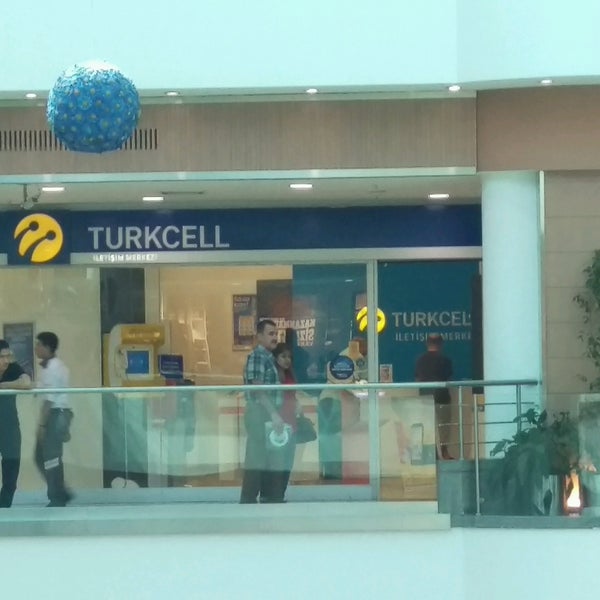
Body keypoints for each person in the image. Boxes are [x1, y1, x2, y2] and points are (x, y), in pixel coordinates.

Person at [240, 319, 286, 504]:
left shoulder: (269, 358)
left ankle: (268, 497)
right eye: (270, 334)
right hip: (259, 412)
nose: (275, 337)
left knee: (269, 457)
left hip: (268, 412)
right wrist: (273, 414)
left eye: (276, 334)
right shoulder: (258, 357)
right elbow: (257, 389)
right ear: (259, 336)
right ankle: (248, 500)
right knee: (256, 457)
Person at [34, 332, 74, 507]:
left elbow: (49, 400)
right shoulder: (51, 367)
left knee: (50, 458)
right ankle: (61, 492)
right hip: (58, 414)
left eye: (39, 345)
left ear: (48, 347)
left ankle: (57, 496)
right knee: (45, 457)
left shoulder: (53, 368)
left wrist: (42, 425)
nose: (36, 348)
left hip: (55, 415)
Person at [0, 340, 32, 507]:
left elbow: (26, 382)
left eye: (8, 356)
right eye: (2, 357)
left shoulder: (12, 368)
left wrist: (3, 386)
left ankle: (3, 509)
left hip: (9, 426)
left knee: (11, 470)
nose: (6, 360)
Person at [415, 333, 454, 460]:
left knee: (427, 426)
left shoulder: (420, 360)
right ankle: (443, 452)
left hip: (425, 398)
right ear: (441, 344)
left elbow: (417, 378)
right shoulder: (445, 360)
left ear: (427, 343)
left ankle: (431, 454)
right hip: (442, 397)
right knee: (443, 427)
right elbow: (448, 378)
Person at [273, 342, 300, 501]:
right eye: (283, 356)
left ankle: (280, 493)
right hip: (279, 421)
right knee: (278, 460)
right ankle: (274, 494)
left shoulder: (290, 375)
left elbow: (292, 395)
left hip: (291, 421)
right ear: (276, 358)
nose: (287, 360)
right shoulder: (274, 375)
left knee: (288, 460)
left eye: (289, 357)